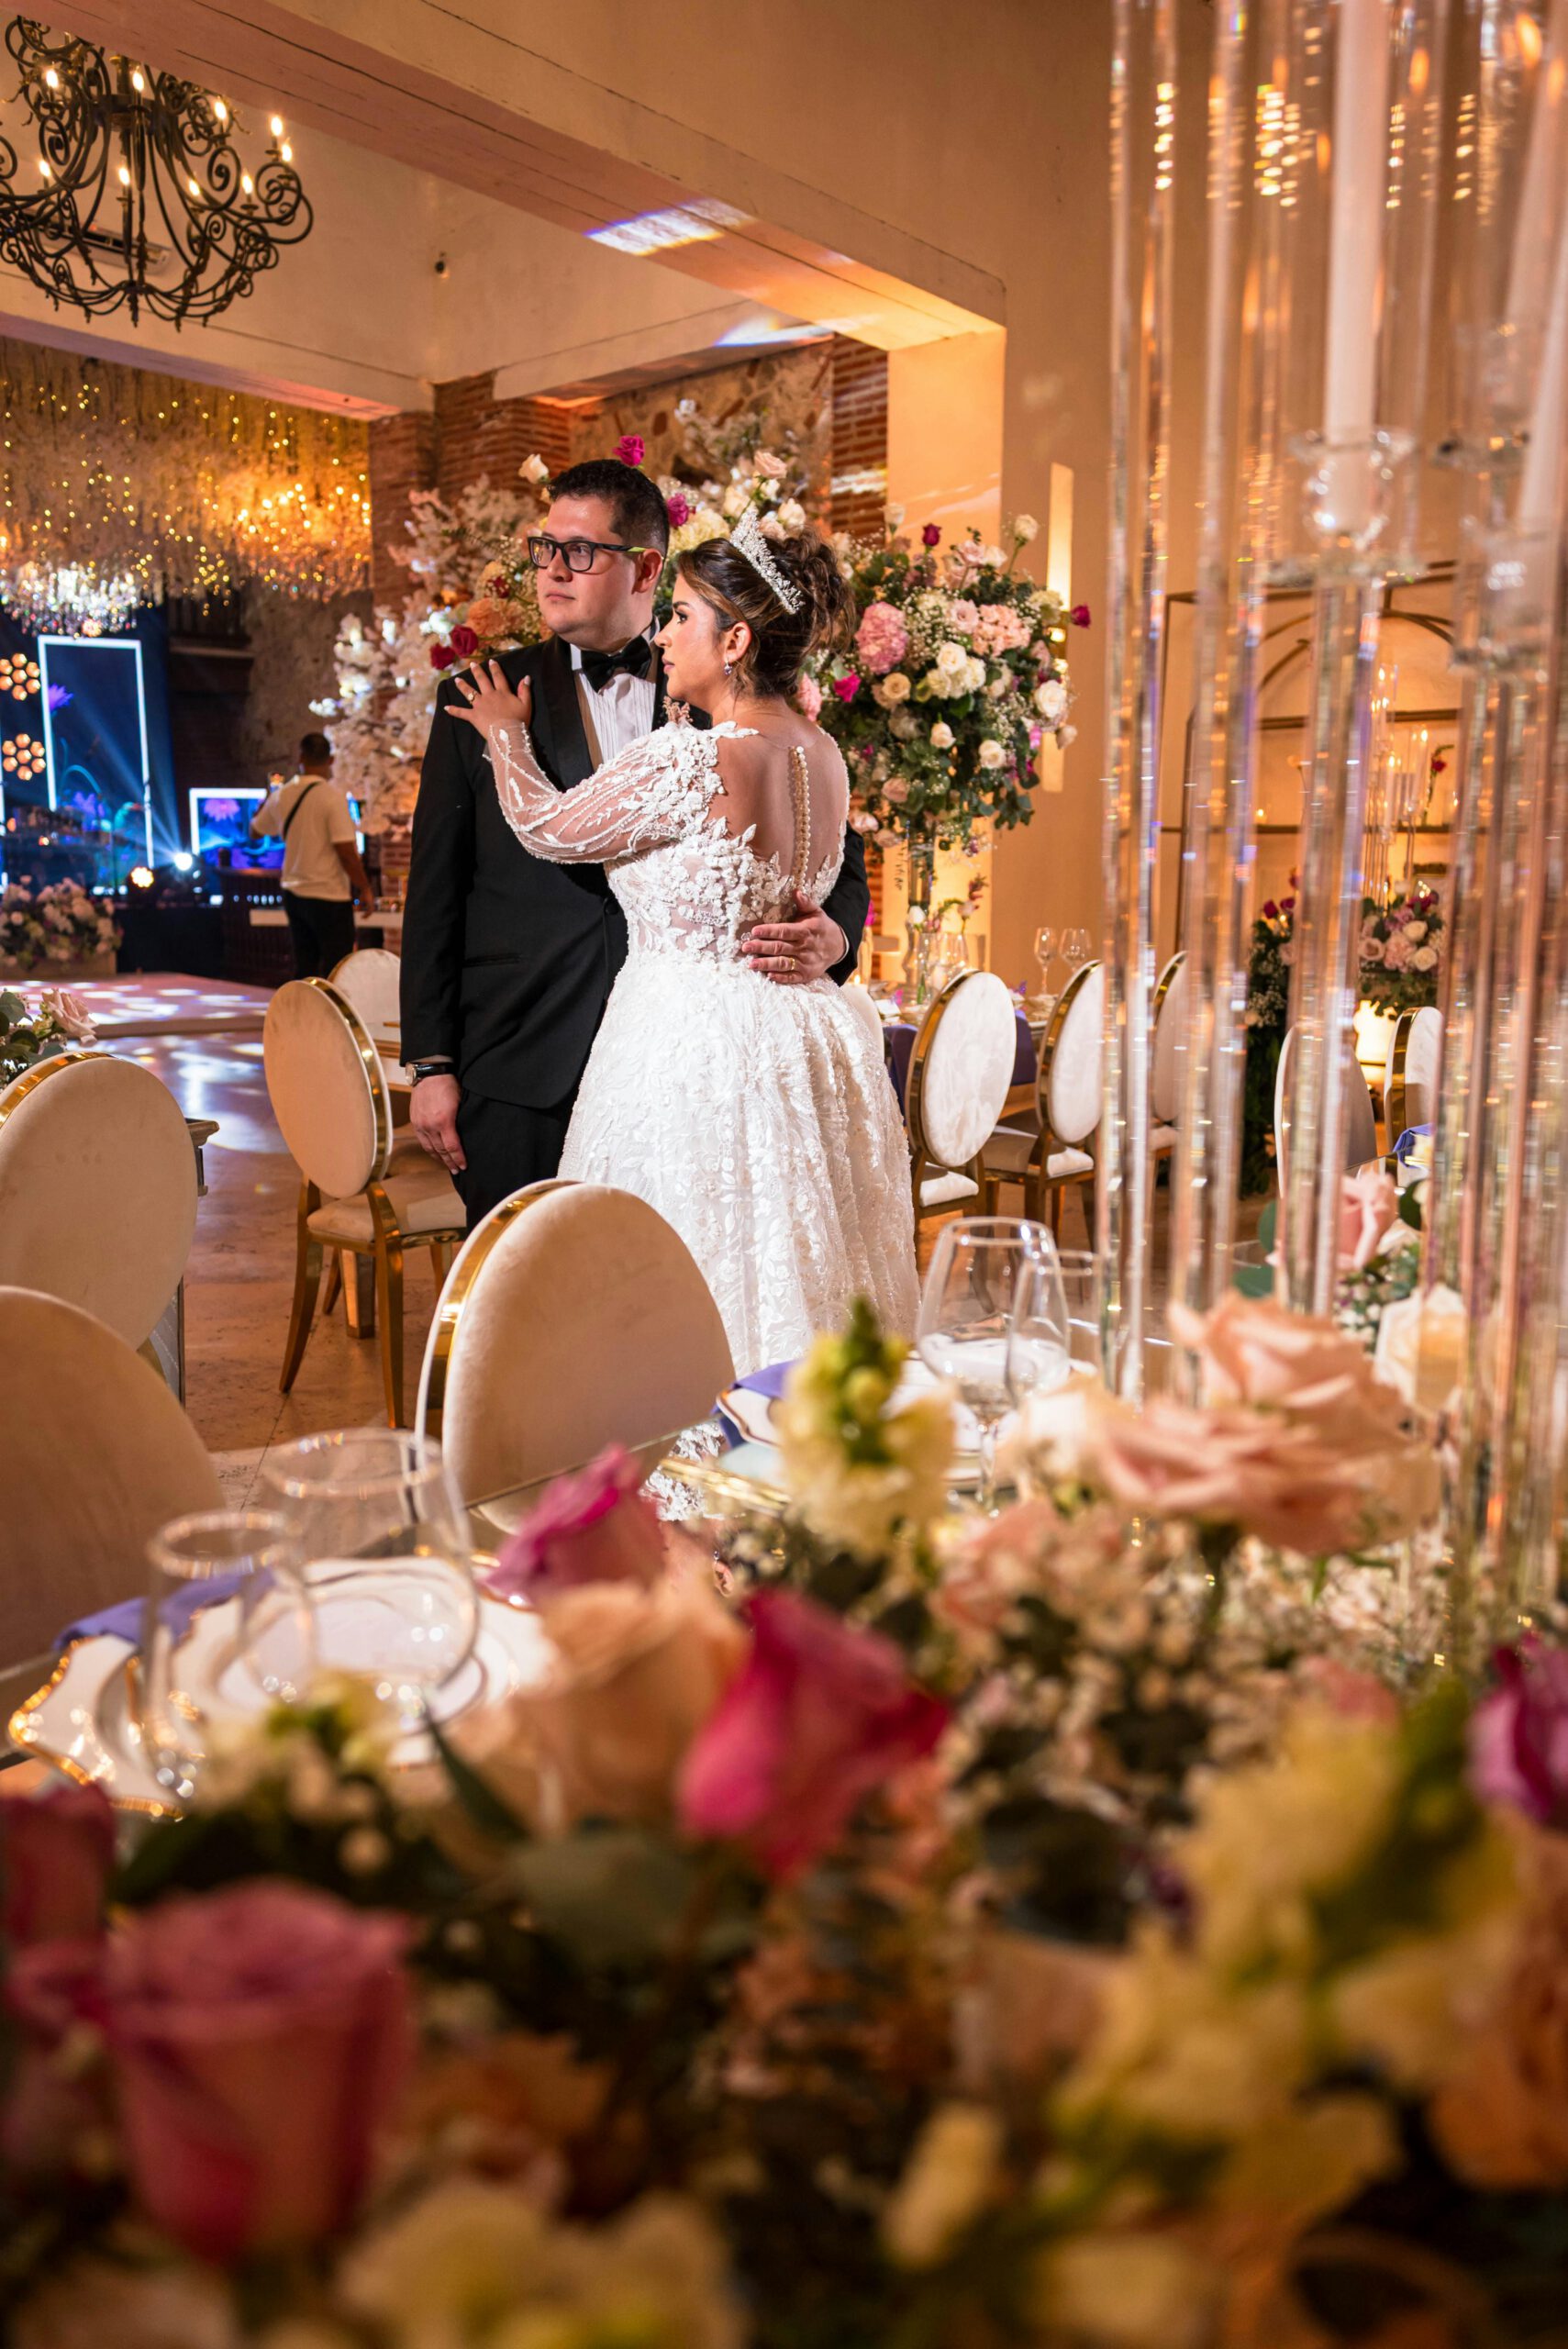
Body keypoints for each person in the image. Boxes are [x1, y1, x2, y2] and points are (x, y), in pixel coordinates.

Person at [447, 506, 917, 1375]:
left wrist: (504, 736)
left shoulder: (692, 758)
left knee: (684, 1255)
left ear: (734, 641)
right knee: (788, 1258)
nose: (664, 634)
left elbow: (549, 829)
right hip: (803, 1037)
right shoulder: (823, 751)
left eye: (682, 617)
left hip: (689, 1046)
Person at [399, 457, 872, 1229]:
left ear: (645, 567)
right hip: (522, 1064)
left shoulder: (731, 699)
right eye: (543, 547)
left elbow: (836, 858)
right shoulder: (478, 696)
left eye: (579, 551)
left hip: (699, 1075)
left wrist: (834, 934)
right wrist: (431, 1063)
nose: (551, 569)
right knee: (531, 1306)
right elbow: (434, 891)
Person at [250, 731, 374, 977]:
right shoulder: (332, 798)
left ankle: (304, 1014)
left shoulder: (282, 795)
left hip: (294, 893)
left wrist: (266, 801)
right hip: (328, 894)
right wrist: (364, 887)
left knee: (304, 963)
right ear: (330, 761)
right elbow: (346, 851)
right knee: (337, 967)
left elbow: (254, 831)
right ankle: (330, 1015)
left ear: (301, 758)